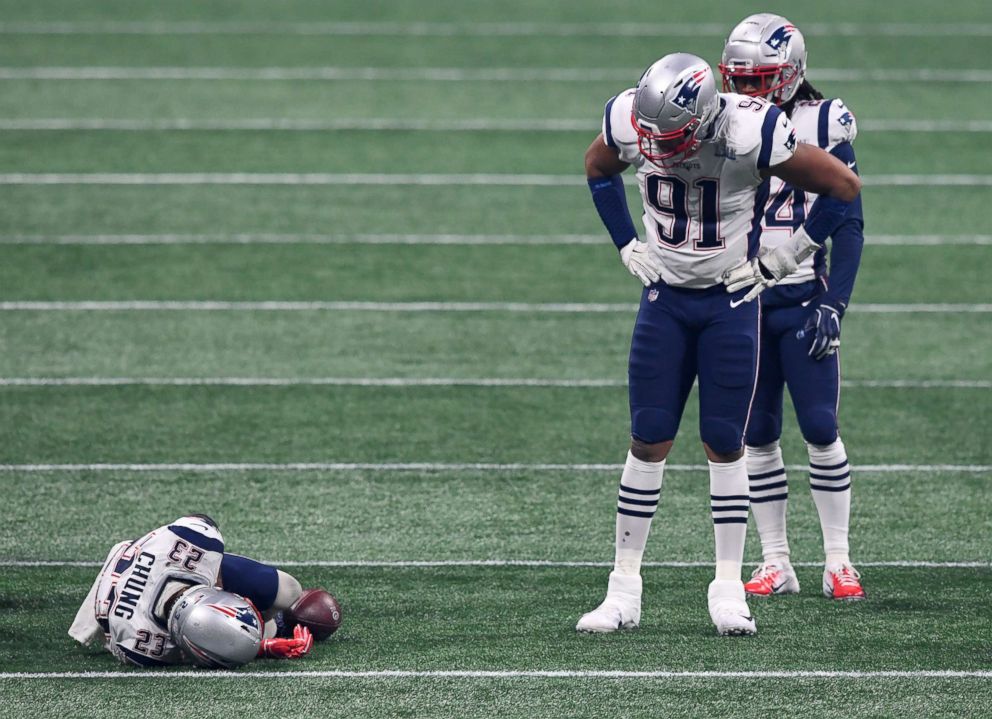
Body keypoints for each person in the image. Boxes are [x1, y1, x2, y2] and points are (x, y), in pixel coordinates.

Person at [577, 51, 861, 636]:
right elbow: (597, 166)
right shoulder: (632, 118)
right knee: (646, 437)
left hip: (730, 303)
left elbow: (843, 187)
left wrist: (787, 255)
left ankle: (727, 588)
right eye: (650, 134)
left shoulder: (748, 128)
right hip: (665, 301)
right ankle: (623, 589)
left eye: (672, 135)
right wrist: (626, 242)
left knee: (724, 444)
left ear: (705, 121)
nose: (656, 146)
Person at [719, 14, 866, 601]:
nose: (748, 90)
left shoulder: (822, 120)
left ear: (792, 75)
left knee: (821, 427)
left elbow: (850, 220)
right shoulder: (722, 117)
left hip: (802, 293)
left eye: (761, 78)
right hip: (744, 298)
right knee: (757, 433)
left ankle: (838, 559)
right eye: (739, 77)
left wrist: (835, 303)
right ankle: (776, 560)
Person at [69, 514, 321, 667]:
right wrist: (262, 646)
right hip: (118, 599)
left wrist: (216, 568)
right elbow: (210, 651)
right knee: (262, 629)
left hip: (167, 561)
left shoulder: (194, 544)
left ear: (215, 588)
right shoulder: (142, 648)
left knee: (289, 590)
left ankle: (262, 618)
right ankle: (271, 624)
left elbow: (200, 519)